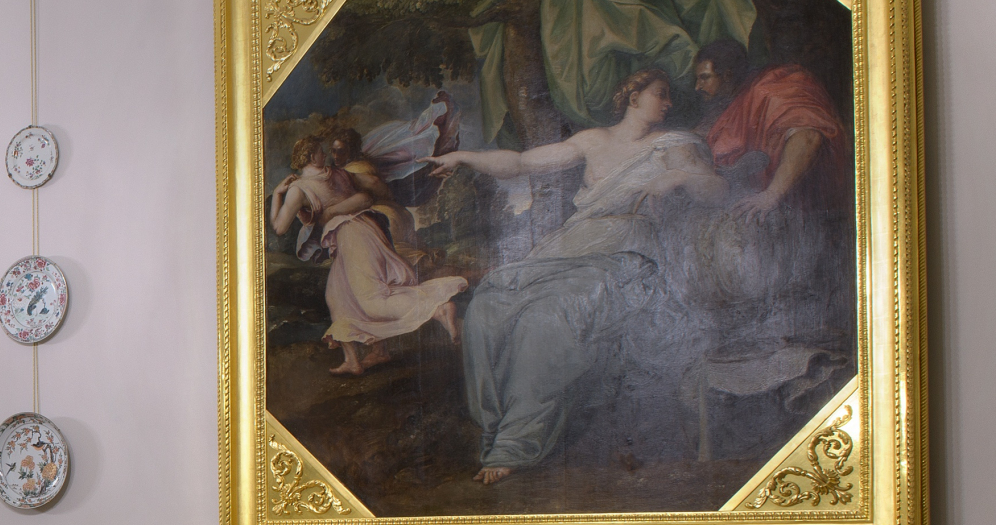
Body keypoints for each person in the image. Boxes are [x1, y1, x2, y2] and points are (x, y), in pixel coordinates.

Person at [432, 65, 726, 483]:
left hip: (624, 253)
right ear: (634, 96)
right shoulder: (593, 140)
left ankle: (515, 443)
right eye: (660, 93)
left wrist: (681, 175)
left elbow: (716, 189)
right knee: (488, 307)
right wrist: (462, 157)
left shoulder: (674, 145)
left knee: (547, 317)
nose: (669, 103)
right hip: (569, 246)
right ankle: (496, 426)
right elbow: (520, 162)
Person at [272, 123, 464, 375]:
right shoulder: (339, 174)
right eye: (320, 151)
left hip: (351, 237)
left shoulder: (298, 189)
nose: (325, 154)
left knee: (373, 301)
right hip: (366, 230)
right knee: (337, 298)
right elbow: (373, 184)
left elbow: (279, 227)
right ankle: (355, 359)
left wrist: (278, 194)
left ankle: (438, 310)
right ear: (310, 156)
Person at [691, 38, 845, 220]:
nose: (697, 87)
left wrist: (772, 194)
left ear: (727, 75)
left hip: (807, 209)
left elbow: (808, 136)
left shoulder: (771, 89)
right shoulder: (731, 103)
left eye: (704, 78)